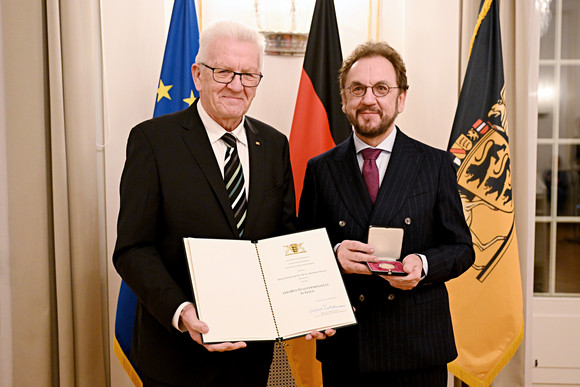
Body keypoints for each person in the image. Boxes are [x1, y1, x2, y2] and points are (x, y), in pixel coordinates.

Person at [113, 20, 330, 387]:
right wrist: (181, 312)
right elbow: (133, 249)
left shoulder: (274, 145)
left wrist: (311, 300)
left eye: (248, 74)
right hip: (177, 356)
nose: (236, 85)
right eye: (224, 71)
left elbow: (283, 236)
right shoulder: (153, 142)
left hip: (251, 356)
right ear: (198, 75)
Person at [298, 41, 475, 386]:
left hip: (418, 345)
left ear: (401, 98)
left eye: (381, 88)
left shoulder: (435, 165)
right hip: (348, 346)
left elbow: (461, 248)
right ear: (344, 99)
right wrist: (333, 255)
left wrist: (422, 265)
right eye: (358, 89)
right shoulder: (320, 169)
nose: (369, 99)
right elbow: (299, 249)